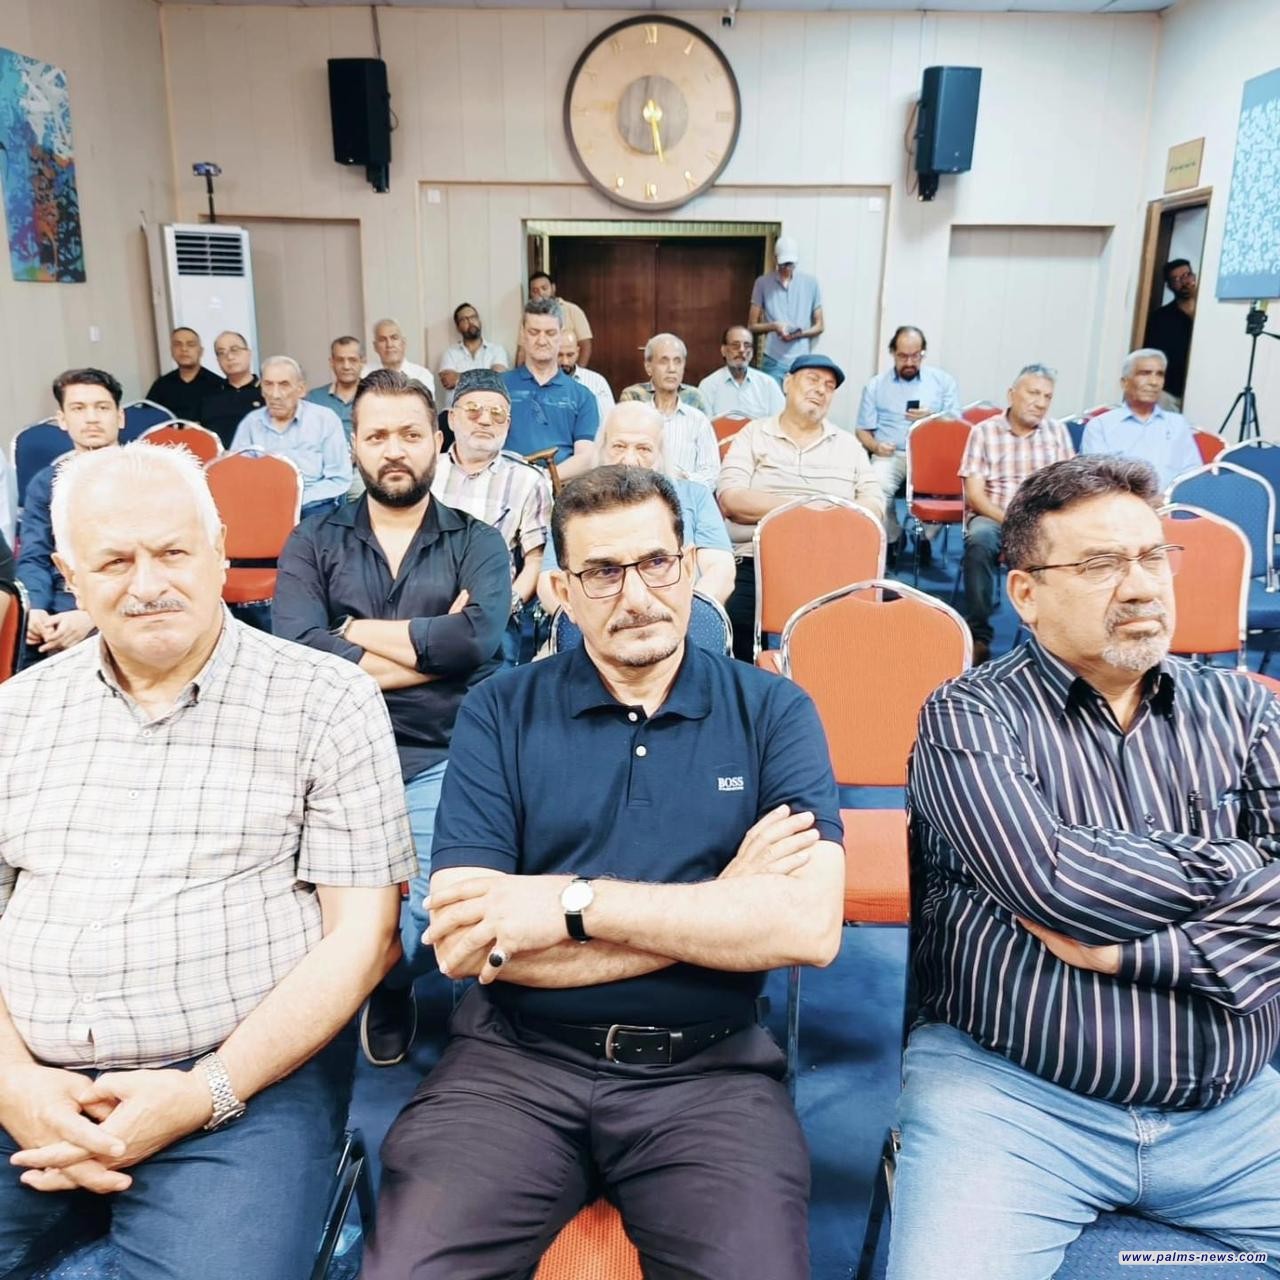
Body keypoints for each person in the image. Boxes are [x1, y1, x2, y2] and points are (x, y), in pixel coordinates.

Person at [363, 464, 844, 1280]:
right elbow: (468, 946)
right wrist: (723, 909)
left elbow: (807, 926)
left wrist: (568, 905)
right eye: (603, 572)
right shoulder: (501, 710)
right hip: (512, 1067)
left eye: (656, 563)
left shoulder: (773, 711)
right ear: (561, 590)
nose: (638, 595)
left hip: (709, 1072)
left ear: (689, 567)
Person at [0, 442, 414, 1280]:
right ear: (71, 578)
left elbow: (364, 939)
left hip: (243, 1084)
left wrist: (205, 1090)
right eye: (114, 561)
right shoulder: (16, 712)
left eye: (173, 551)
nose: (148, 583)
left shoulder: (325, 699)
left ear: (220, 551)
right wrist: (14, 1084)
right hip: (30, 1076)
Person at [890, 453, 1280, 1279]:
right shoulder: (970, 716)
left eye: (1152, 557)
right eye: (1102, 565)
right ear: (1025, 594)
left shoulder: (1243, 709)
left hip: (1230, 1114)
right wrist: (1241, 866)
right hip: (1015, 1102)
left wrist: (1142, 954)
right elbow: (1053, 883)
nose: (1140, 588)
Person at [273, 368, 511, 1067]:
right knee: (305, 902)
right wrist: (433, 649)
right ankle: (370, 976)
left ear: (437, 440)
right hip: (336, 755)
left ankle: (391, 979)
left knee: (431, 906)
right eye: (377, 436)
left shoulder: (477, 541)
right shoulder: (311, 541)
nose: (395, 450)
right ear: (354, 446)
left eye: (410, 434)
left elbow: (479, 639)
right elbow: (299, 650)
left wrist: (351, 631)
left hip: (443, 748)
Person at [718, 354, 884, 661]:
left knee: (865, 630)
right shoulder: (754, 434)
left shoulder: (848, 445)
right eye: (813, 379)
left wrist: (814, 521)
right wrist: (810, 510)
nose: (821, 390)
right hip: (759, 559)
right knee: (734, 620)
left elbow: (874, 506)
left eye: (829, 386)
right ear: (787, 383)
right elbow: (732, 498)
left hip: (832, 560)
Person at [536, 402, 735, 612]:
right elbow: (549, 583)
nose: (630, 460)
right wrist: (593, 623)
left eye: (643, 449)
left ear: (660, 453)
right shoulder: (574, 503)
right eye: (619, 447)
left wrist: (681, 619)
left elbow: (720, 570)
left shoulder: (694, 495)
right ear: (602, 448)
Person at [431, 369, 552, 667]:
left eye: (497, 414)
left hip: (494, 617)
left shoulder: (528, 480)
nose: (485, 420)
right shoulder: (427, 472)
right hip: (422, 608)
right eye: (473, 410)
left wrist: (504, 606)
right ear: (451, 419)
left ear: (507, 425)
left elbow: (536, 560)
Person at [958, 363, 1074, 664]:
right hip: (994, 515)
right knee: (980, 539)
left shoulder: (1057, 432)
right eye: (1033, 393)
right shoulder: (984, 432)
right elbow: (975, 495)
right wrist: (1011, 521)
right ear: (1011, 395)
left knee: (1067, 548)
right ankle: (979, 635)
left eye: (1047, 397)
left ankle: (1047, 638)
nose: (1040, 403)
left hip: (1040, 519)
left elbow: (1067, 488)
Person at [17, 368, 123, 665]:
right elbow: (34, 556)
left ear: (120, 417)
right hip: (58, 602)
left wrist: (91, 616)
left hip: (121, 602)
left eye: (102, 408)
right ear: (62, 419)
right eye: (78, 408)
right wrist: (35, 608)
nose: (91, 418)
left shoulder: (147, 476)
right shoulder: (46, 483)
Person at [855, 325, 961, 564]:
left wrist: (933, 416)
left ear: (923, 352)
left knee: (952, 486)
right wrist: (875, 446)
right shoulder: (876, 385)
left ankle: (924, 537)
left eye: (916, 356)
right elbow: (862, 430)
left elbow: (958, 424)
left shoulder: (943, 382)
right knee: (875, 488)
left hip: (933, 456)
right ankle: (894, 537)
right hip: (891, 454)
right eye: (903, 356)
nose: (910, 362)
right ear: (893, 352)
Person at [229, 355, 352, 517]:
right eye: (268, 384)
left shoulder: (325, 419)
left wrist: (294, 500)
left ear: (301, 389)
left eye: (284, 385)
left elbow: (339, 478)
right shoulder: (251, 423)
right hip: (265, 507)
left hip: (313, 506)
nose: (275, 394)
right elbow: (237, 474)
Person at [503, 298, 597, 480]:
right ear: (522, 334)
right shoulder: (499, 387)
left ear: (561, 335)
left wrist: (543, 479)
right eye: (534, 332)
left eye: (550, 333)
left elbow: (586, 458)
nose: (542, 340)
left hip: (561, 488)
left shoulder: (583, 396)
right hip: (506, 487)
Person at [1081, 349, 1201, 490]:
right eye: (1145, 373)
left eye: (1160, 374)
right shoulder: (1100, 426)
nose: (1154, 382)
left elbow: (1193, 474)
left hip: (1171, 502)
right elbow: (1097, 480)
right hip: (1121, 502)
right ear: (1124, 383)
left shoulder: (1177, 424)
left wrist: (1169, 498)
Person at [619, 334, 718, 487]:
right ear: (649, 367)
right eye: (664, 361)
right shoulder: (636, 417)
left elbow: (712, 474)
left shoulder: (698, 420)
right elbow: (621, 466)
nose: (672, 369)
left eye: (677, 361)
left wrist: (683, 479)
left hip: (687, 494)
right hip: (643, 494)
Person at [748, 237, 824, 385]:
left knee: (800, 399)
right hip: (773, 359)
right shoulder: (762, 283)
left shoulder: (811, 283)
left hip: (802, 360)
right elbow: (752, 325)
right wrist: (774, 326)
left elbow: (820, 326)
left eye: (790, 264)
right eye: (783, 263)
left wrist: (799, 334)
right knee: (771, 399)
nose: (787, 268)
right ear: (775, 259)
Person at [697, 325, 785, 421]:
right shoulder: (708, 385)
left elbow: (781, 420)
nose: (742, 350)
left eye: (747, 345)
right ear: (723, 350)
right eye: (735, 345)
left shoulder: (768, 384)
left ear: (752, 352)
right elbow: (703, 426)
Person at [1144, 259, 1197, 407]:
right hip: (1169, 391)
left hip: (1202, 387)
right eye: (1177, 279)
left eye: (1187, 275)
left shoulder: (1210, 312)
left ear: (1194, 276)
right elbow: (1152, 355)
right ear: (1169, 286)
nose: (1184, 282)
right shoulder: (1160, 318)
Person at [145, 326, 224, 424]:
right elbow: (147, 420)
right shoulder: (161, 385)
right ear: (171, 351)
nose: (184, 349)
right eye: (177, 344)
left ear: (201, 351)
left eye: (190, 344)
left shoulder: (218, 385)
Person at [437, 304, 508, 410]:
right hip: (456, 412)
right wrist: (486, 376)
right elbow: (449, 381)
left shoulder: (497, 350)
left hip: (488, 411)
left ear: (479, 321)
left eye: (473, 317)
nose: (470, 321)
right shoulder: (450, 353)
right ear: (458, 327)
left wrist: (460, 378)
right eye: (464, 319)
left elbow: (498, 379)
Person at [200, 330, 265, 448]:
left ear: (248, 353)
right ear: (218, 361)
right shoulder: (209, 397)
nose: (229, 357)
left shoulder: (267, 392)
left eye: (234, 350)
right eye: (221, 353)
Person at [516, 271, 593, 367]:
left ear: (553, 288)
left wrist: (578, 372)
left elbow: (585, 346)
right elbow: (522, 351)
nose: (540, 293)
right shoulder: (528, 317)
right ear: (530, 294)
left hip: (566, 369)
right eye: (535, 291)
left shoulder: (572, 310)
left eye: (544, 288)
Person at [306, 335, 364, 444]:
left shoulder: (375, 396)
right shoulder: (314, 399)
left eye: (352, 360)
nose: (346, 366)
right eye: (340, 360)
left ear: (362, 362)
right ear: (331, 362)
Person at [364, 318, 437, 399]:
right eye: (382, 340)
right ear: (375, 346)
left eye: (394, 338)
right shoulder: (364, 374)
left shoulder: (422, 375)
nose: (389, 345)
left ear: (403, 343)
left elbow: (425, 406)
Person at [558, 330, 614, 424]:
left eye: (570, 355)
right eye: (559, 355)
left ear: (577, 352)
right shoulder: (541, 382)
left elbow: (608, 421)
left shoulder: (597, 382)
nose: (565, 362)